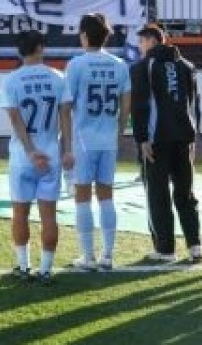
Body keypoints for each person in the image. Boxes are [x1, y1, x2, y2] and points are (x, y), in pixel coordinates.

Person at [1, 30, 71, 285]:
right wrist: (67, 150)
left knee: (20, 212)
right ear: (41, 48)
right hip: (50, 152)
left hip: (23, 155)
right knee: (49, 215)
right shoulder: (58, 78)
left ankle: (23, 266)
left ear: (20, 51)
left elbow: (15, 118)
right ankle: (46, 269)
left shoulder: (12, 80)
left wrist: (30, 150)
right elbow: (65, 116)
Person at [62, 14, 131, 270]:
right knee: (106, 196)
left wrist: (67, 144)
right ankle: (108, 255)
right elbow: (126, 103)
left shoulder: (76, 65)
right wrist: (120, 130)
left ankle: (88, 256)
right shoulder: (119, 64)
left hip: (84, 139)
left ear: (84, 36)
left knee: (82, 196)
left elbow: (66, 107)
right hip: (108, 138)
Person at [132, 23, 202, 263]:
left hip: (156, 141)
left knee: (157, 194)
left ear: (152, 40)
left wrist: (142, 139)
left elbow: (140, 106)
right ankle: (195, 246)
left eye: (141, 41)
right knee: (186, 193)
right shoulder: (187, 66)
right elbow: (195, 106)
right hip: (184, 139)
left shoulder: (144, 67)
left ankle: (165, 249)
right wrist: (195, 137)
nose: (139, 46)